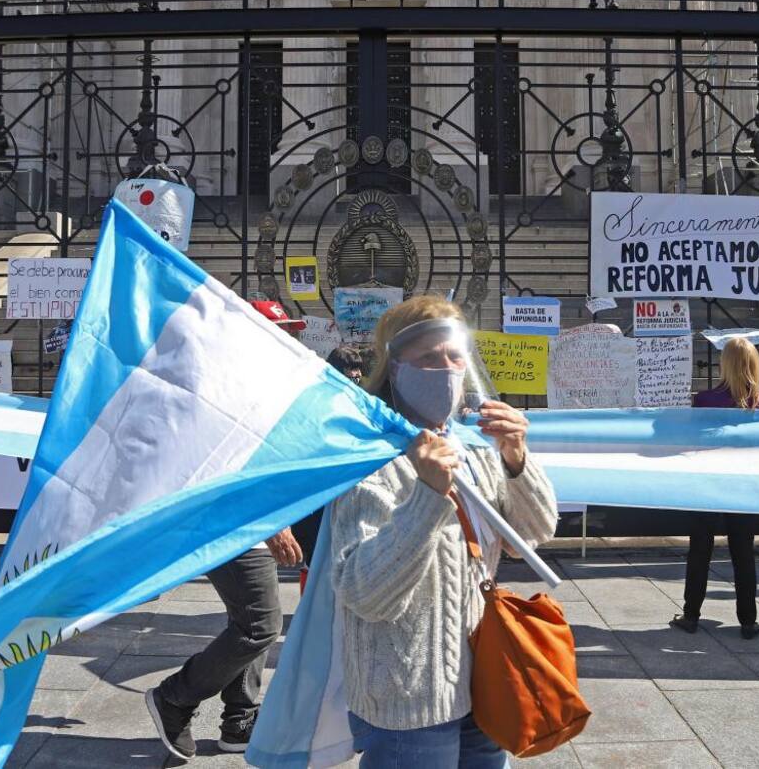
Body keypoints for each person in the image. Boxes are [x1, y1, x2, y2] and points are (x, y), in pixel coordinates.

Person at [331, 295, 559, 768]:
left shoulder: (472, 446)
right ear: (396, 369)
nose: (448, 368)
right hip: (407, 693)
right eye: (429, 358)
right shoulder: (371, 458)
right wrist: (427, 496)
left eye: (456, 355)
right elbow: (365, 593)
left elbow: (532, 537)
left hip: (486, 675)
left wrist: (516, 456)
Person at [145, 299, 306, 762]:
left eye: (290, 331)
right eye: (278, 332)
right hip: (227, 523)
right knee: (260, 626)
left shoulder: (268, 385)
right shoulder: (229, 388)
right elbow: (222, 467)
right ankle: (174, 697)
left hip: (248, 523)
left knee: (250, 621)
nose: (288, 340)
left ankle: (239, 721)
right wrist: (270, 522)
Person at [670, 336, 759, 639]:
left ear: (723, 365)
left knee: (700, 549)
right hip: (744, 485)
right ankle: (748, 620)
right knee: (743, 552)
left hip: (709, 483)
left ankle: (691, 615)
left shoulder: (704, 401)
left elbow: (691, 442)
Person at [291, 345, 366, 581]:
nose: (355, 378)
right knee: (316, 561)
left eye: (358, 372)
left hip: (345, 493)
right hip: (315, 495)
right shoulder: (314, 402)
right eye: (349, 372)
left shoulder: (362, 402)